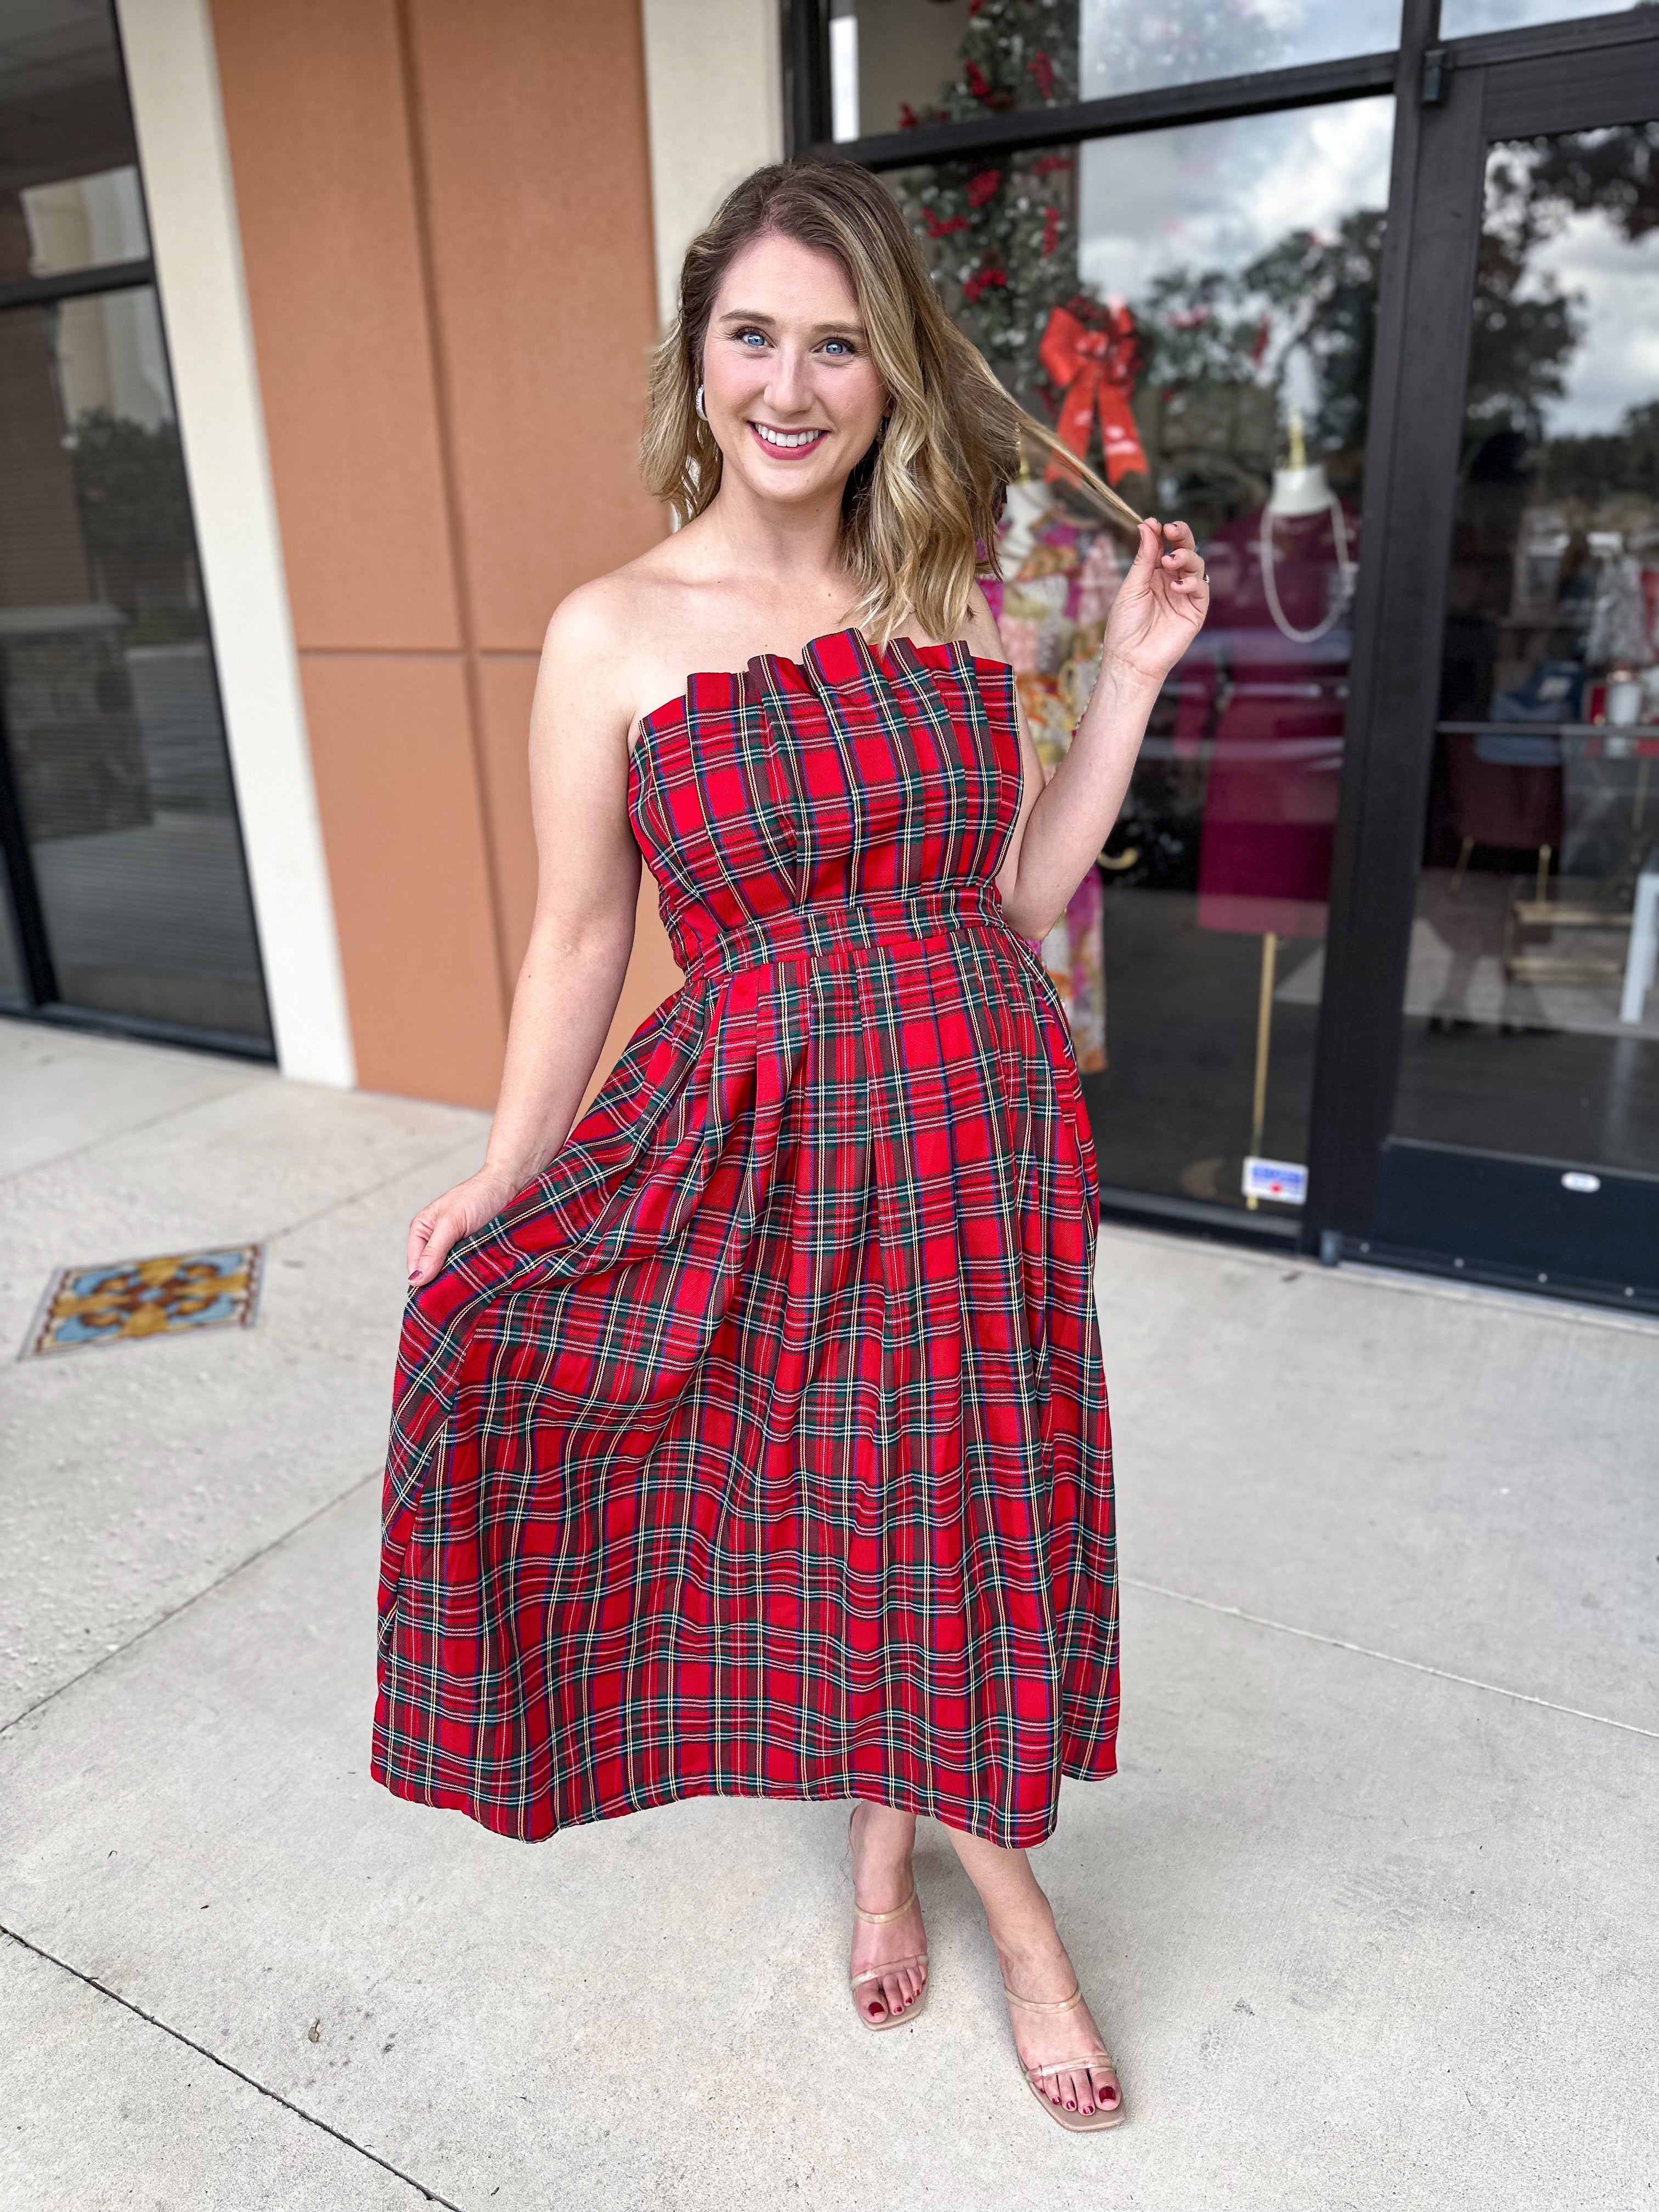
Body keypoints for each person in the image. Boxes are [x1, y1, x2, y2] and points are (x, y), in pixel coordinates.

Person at [372, 159, 1207, 2132]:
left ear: (892, 374)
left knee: (954, 1519)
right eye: (756, 334)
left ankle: (881, 1847)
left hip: (981, 1144)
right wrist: (510, 1174)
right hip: (770, 1159)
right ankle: (1024, 1928)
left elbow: (1010, 899)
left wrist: (1141, 682)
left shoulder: (940, 594)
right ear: (700, 357)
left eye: (839, 343)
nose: (795, 382)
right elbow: (582, 934)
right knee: (854, 1516)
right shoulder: (611, 636)